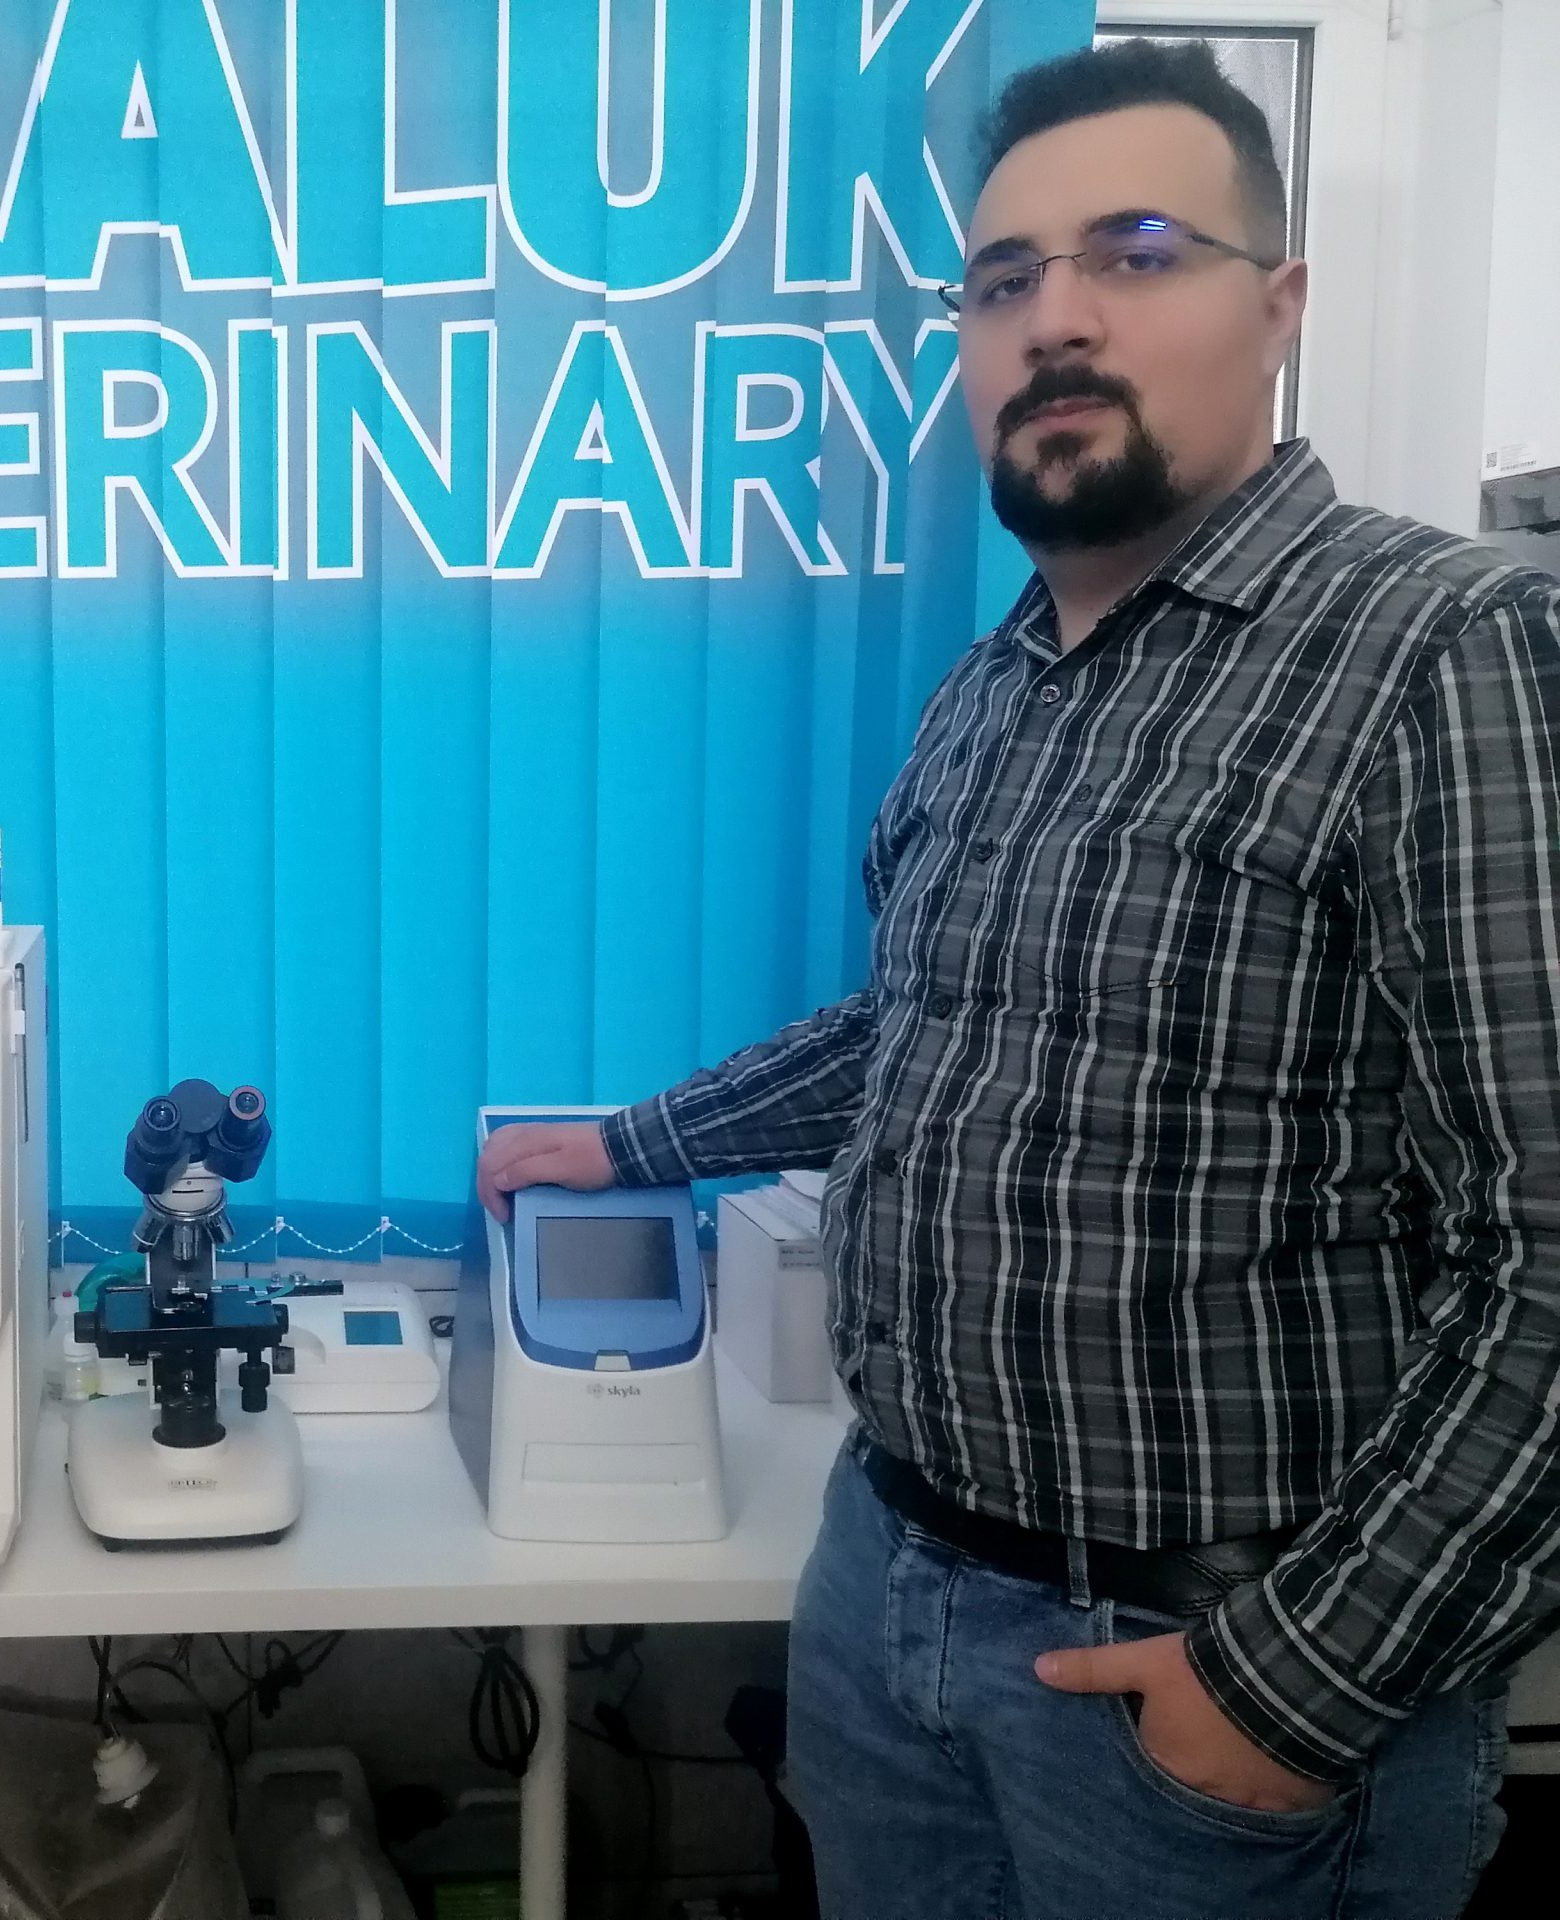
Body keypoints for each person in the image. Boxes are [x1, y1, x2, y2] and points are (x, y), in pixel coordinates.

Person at [478, 39, 1559, 1920]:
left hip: (1199, 1673)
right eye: (1001, 281)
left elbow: (1548, 1247)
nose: (1055, 319)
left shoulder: (1445, 649)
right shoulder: (995, 694)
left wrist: (1299, 1689)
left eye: (1136, 254)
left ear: (1280, 303)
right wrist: (630, 1146)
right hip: (892, 1598)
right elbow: (919, 1036)